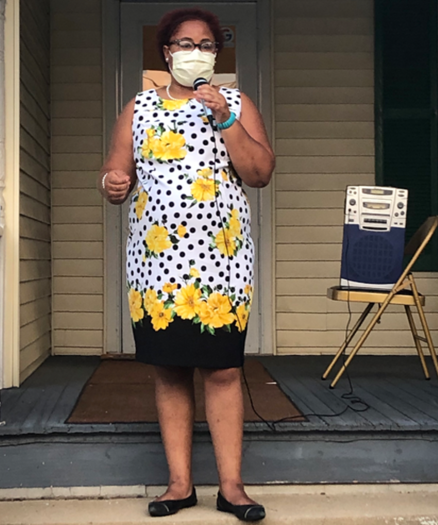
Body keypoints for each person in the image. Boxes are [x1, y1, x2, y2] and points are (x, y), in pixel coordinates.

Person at [97, 8, 275, 521]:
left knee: (221, 369)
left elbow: (260, 172)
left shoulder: (237, 103)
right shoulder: (139, 108)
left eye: (204, 43)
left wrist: (224, 117)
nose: (193, 50)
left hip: (221, 265)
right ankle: (179, 484)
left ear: (216, 53)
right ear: (166, 52)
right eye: (182, 43)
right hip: (156, 265)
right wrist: (110, 182)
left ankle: (232, 487)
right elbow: (115, 172)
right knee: (170, 370)